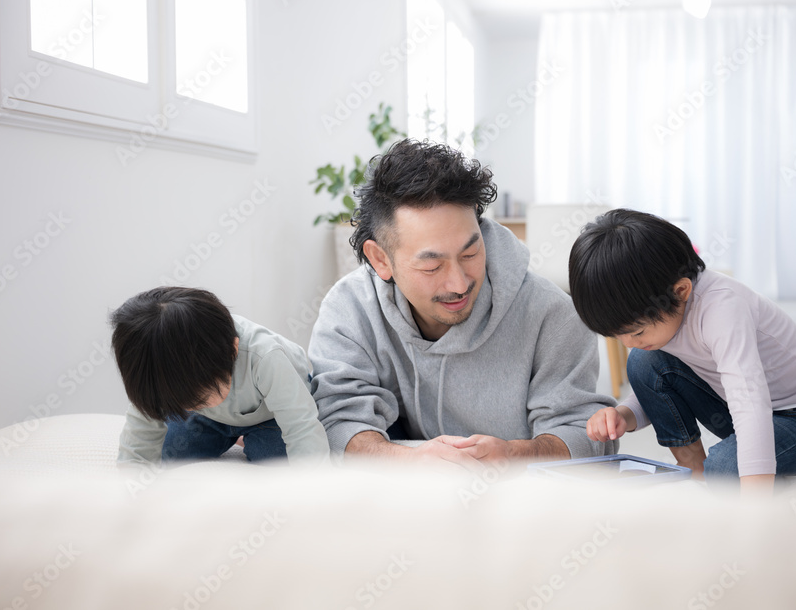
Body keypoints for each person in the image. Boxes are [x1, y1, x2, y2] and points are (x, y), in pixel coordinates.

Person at [309, 139, 617, 467]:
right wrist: (409, 460)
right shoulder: (349, 308)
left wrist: (513, 454)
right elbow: (334, 423)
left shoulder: (552, 315)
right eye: (432, 266)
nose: (459, 284)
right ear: (380, 259)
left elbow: (586, 436)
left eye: (470, 253)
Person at [568, 209, 796, 494]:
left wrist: (754, 503)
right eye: (617, 336)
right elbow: (658, 386)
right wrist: (624, 415)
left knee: (723, 469)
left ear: (681, 291)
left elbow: (750, 404)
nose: (628, 343)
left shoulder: (722, 310)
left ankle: (740, 479)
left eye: (637, 332)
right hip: (732, 406)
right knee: (643, 360)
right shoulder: (666, 313)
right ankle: (695, 471)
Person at [113, 287, 330, 466]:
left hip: (271, 416)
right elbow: (138, 445)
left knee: (275, 458)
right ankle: (232, 435)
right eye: (185, 402)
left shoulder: (265, 356)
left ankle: (249, 437)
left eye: (200, 398)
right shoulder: (157, 374)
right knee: (169, 451)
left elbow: (301, 428)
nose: (191, 405)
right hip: (213, 419)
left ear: (232, 351)